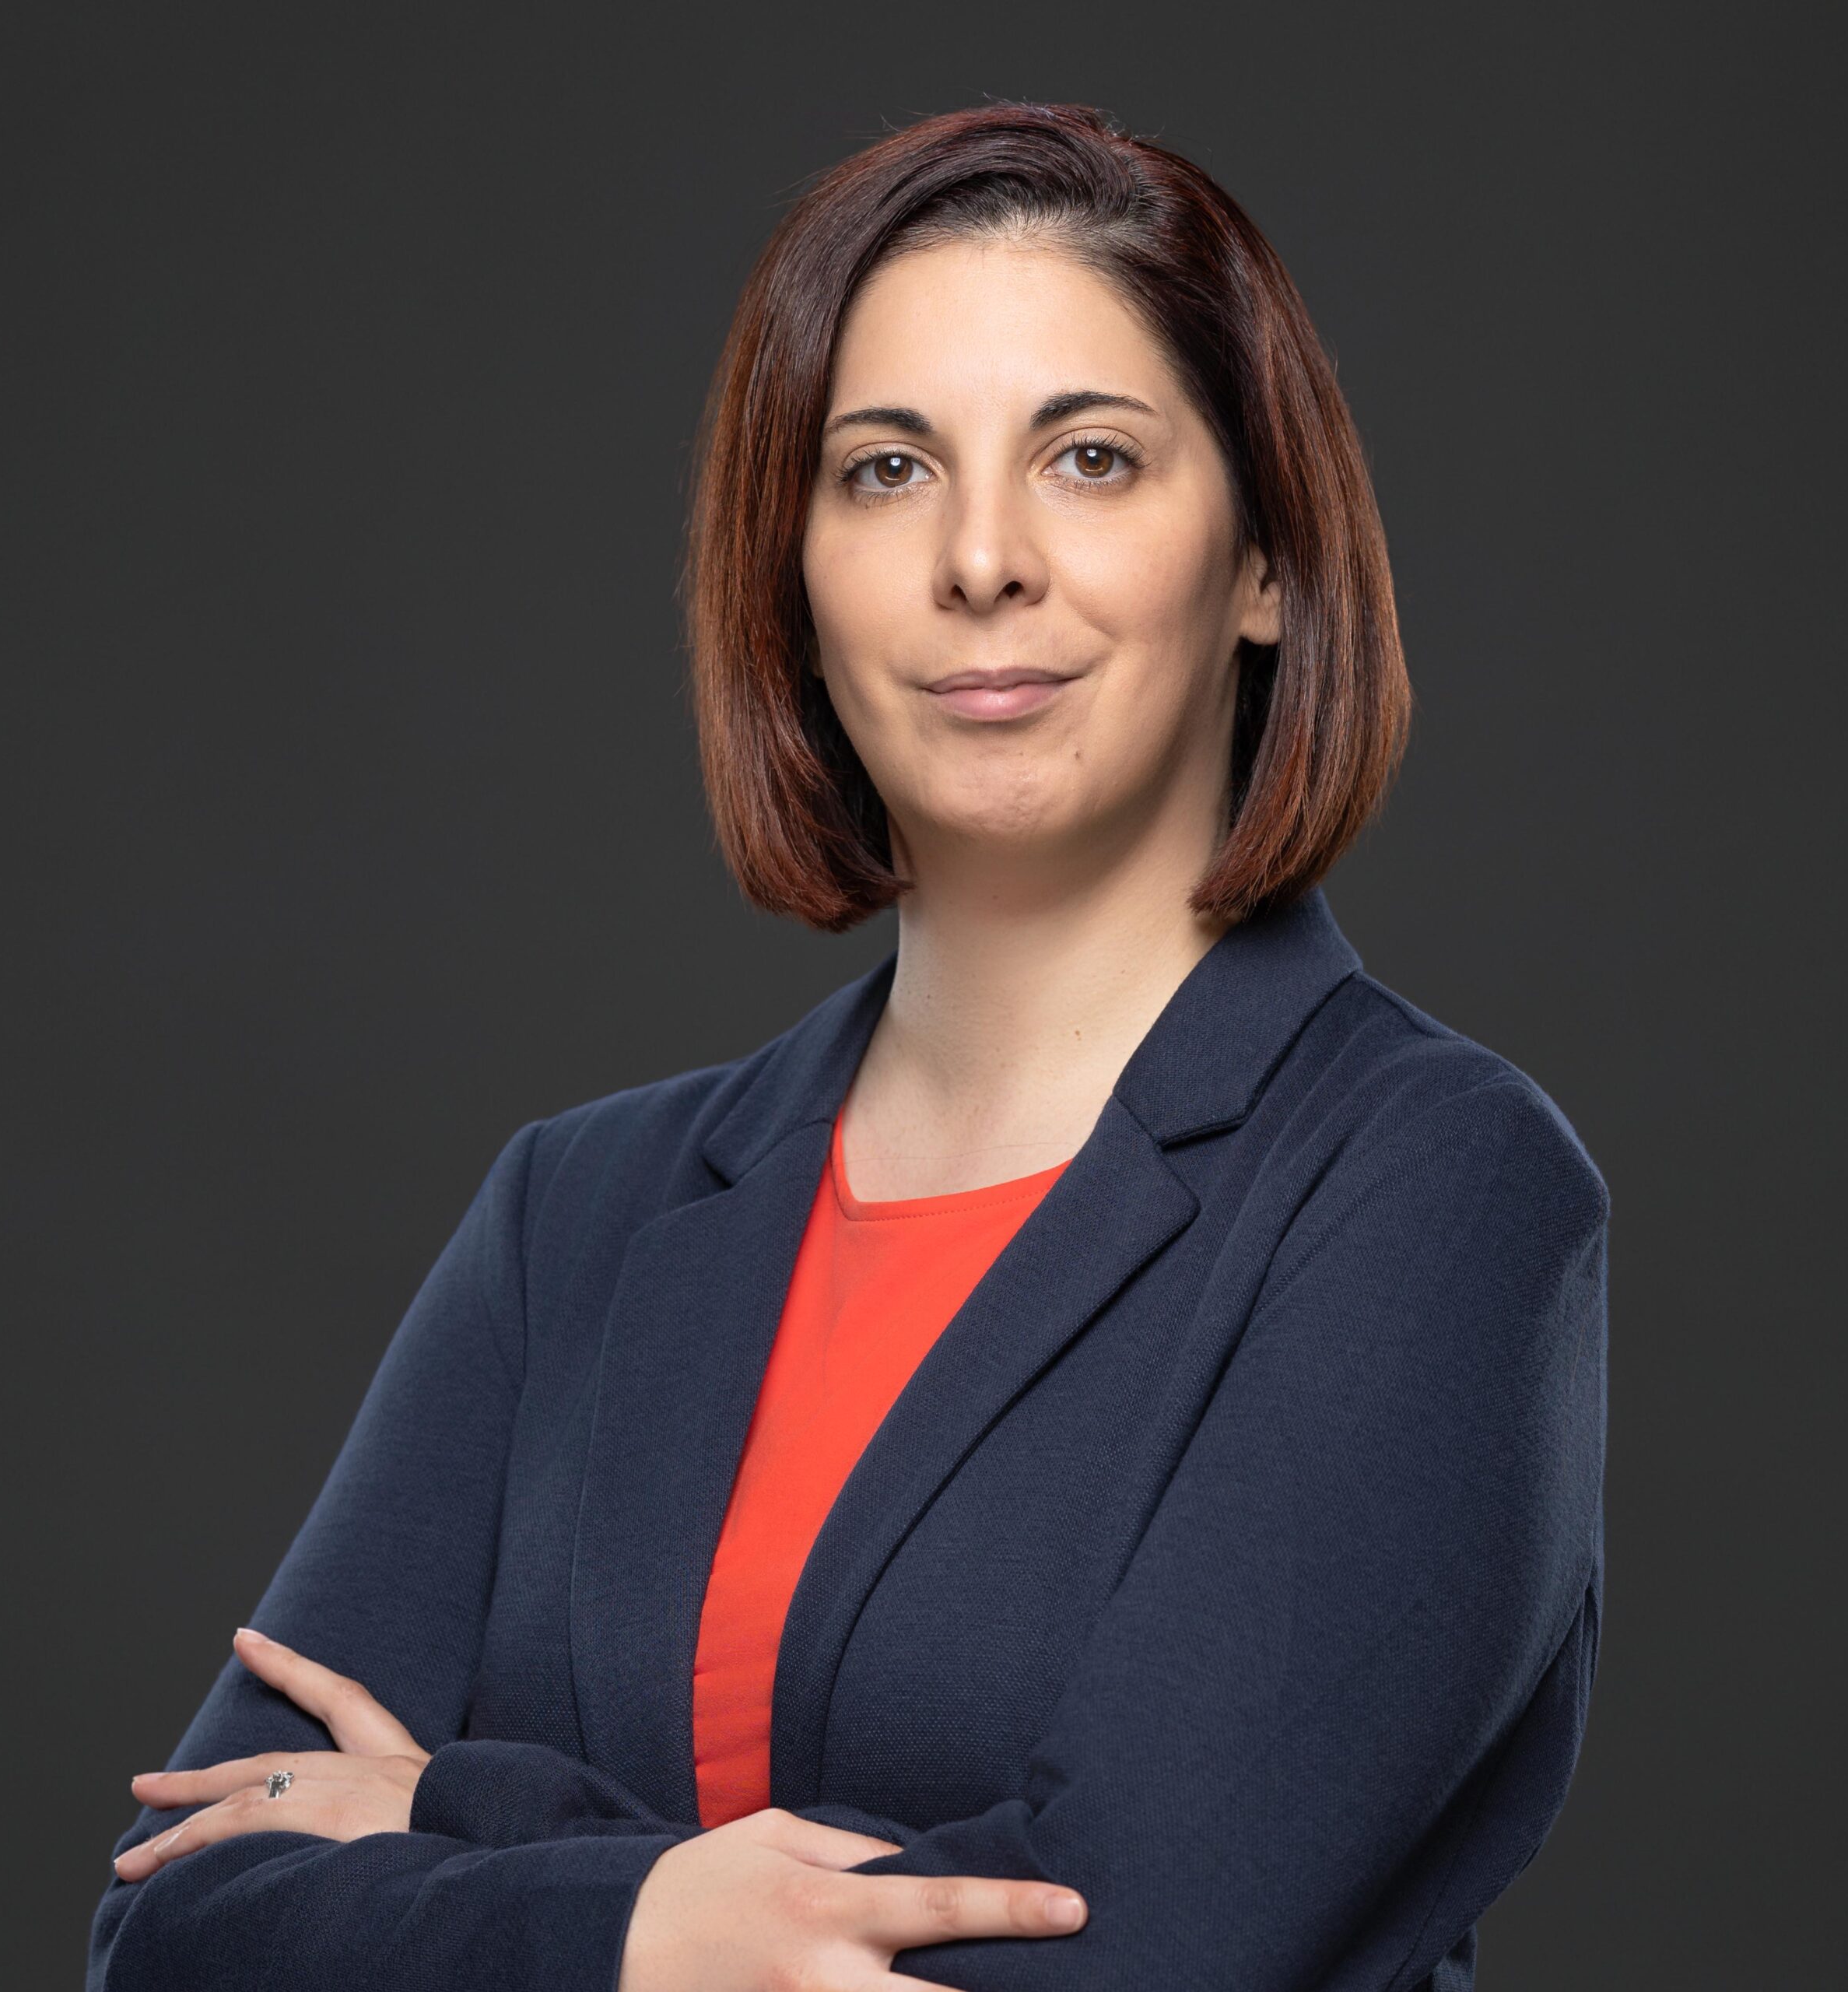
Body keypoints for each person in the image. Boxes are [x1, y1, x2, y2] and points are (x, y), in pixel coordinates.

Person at [88, 101, 1609, 1992]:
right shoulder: (579, 1209)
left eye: (1090, 457)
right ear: (793, 584)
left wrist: (472, 1823)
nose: (981, 556)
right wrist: (642, 1919)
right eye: (885, 469)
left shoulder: (1431, 1183)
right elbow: (176, 1926)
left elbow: (1130, 1951)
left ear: (1263, 563)